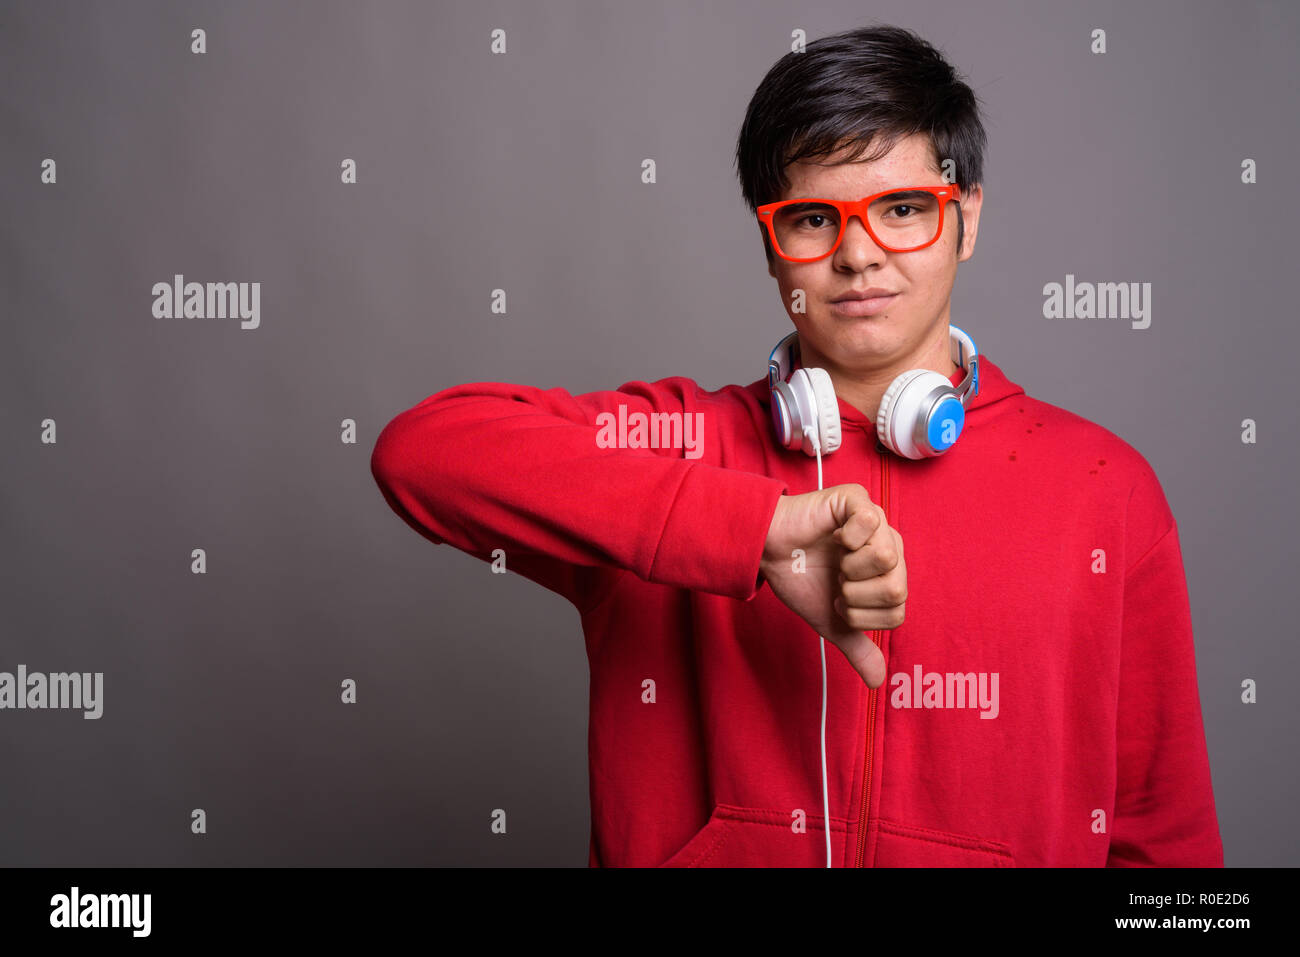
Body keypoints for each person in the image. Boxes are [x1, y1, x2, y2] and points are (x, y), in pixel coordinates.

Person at [369, 24, 1223, 867]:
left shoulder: (1104, 487)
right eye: (814, 218)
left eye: (902, 210)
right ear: (770, 245)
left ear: (966, 221)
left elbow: (1166, 845)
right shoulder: (675, 446)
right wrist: (746, 525)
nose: (857, 255)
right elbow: (420, 454)